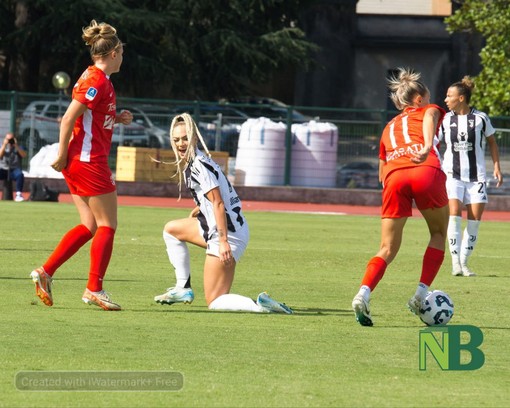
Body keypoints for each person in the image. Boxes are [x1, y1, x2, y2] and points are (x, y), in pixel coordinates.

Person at [30, 20, 133, 311]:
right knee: (108, 226)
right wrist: (62, 154)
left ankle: (45, 272)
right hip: (87, 162)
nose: (123, 57)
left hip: (80, 162)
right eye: (122, 52)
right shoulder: (96, 80)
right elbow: (68, 118)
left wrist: (119, 118)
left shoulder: (97, 78)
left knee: (89, 225)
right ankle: (94, 289)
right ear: (113, 53)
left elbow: (93, 117)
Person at [154, 113, 292, 314]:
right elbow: (220, 196)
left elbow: (218, 203)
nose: (181, 143)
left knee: (215, 301)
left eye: (185, 138)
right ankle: (182, 288)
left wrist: (224, 241)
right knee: (171, 230)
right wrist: (201, 206)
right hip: (226, 226)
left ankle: (259, 305)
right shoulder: (200, 160)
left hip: (228, 233)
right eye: (176, 140)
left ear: (194, 137)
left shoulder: (199, 165)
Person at [351, 67, 449, 326]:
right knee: (439, 234)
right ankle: (419, 295)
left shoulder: (388, 127)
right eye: (426, 97)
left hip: (394, 178)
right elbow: (429, 119)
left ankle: (363, 293)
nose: (429, 102)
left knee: (386, 248)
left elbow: (381, 174)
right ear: (418, 99)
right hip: (425, 169)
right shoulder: (428, 109)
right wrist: (427, 146)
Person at [438, 76, 503, 277]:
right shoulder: (445, 120)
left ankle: (465, 263)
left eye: (450, 96)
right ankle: (455, 262)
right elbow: (433, 143)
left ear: (462, 98)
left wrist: (497, 167)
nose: (446, 99)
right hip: (452, 174)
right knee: (454, 215)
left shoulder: (481, 119)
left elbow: (491, 141)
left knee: (474, 220)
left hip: (477, 177)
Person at [0, 132, 27, 201]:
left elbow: (23, 155)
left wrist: (15, 145)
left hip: (14, 170)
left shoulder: (19, 147)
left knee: (20, 175)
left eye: (11, 139)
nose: (9, 141)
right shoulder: (2, 146)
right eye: (8, 139)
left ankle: (18, 195)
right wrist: (4, 145)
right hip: (3, 169)